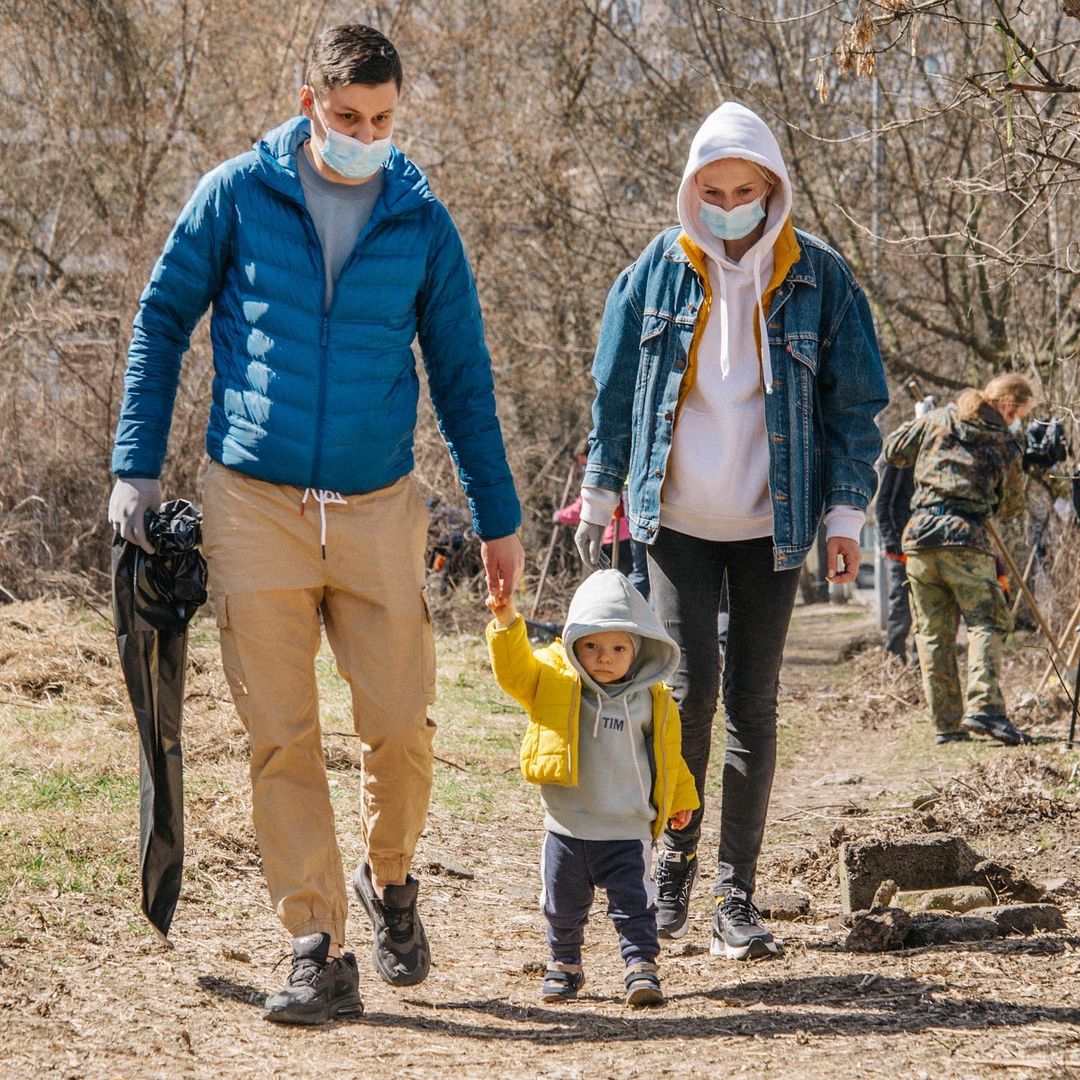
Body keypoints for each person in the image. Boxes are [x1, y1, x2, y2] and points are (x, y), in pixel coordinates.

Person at [107, 24, 524, 1025]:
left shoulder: (421, 221)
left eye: (382, 120)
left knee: (400, 727)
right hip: (252, 504)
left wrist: (501, 521)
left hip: (382, 507)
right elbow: (163, 318)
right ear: (310, 105)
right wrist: (135, 469)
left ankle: (390, 878)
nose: (365, 135)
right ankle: (317, 943)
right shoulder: (236, 195)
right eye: (347, 118)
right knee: (281, 735)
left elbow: (463, 377)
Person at [574, 102, 887, 960]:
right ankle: (672, 861)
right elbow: (612, 392)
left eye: (745, 189)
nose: (728, 205)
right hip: (673, 519)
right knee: (684, 696)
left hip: (772, 525)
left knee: (753, 701)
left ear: (774, 188)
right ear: (690, 190)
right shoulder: (657, 270)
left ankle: (733, 894)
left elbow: (855, 405)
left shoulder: (820, 276)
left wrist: (845, 515)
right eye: (712, 191)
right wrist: (599, 499)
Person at [485, 570, 698, 1006]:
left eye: (619, 648)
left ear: (638, 651)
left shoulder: (652, 700)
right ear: (574, 643)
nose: (605, 657)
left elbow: (668, 756)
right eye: (593, 646)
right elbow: (514, 672)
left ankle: (641, 969)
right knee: (561, 907)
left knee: (635, 906)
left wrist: (681, 799)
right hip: (567, 826)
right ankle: (564, 965)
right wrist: (507, 623)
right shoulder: (555, 684)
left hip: (627, 827)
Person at [883, 373, 1035, 747]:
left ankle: (947, 725)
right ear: (1010, 406)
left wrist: (921, 419)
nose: (1019, 420)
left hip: (919, 539)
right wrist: (988, 497)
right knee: (988, 619)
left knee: (932, 633)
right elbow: (1013, 505)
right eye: (1021, 413)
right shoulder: (1004, 442)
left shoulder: (938, 420)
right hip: (966, 539)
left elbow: (894, 450)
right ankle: (984, 707)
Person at [554, 438, 650, 599]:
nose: (583, 468)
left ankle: (623, 614)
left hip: (618, 538)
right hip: (613, 538)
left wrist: (560, 516)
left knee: (618, 584)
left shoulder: (606, 475)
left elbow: (584, 506)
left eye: (585, 464)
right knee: (620, 582)